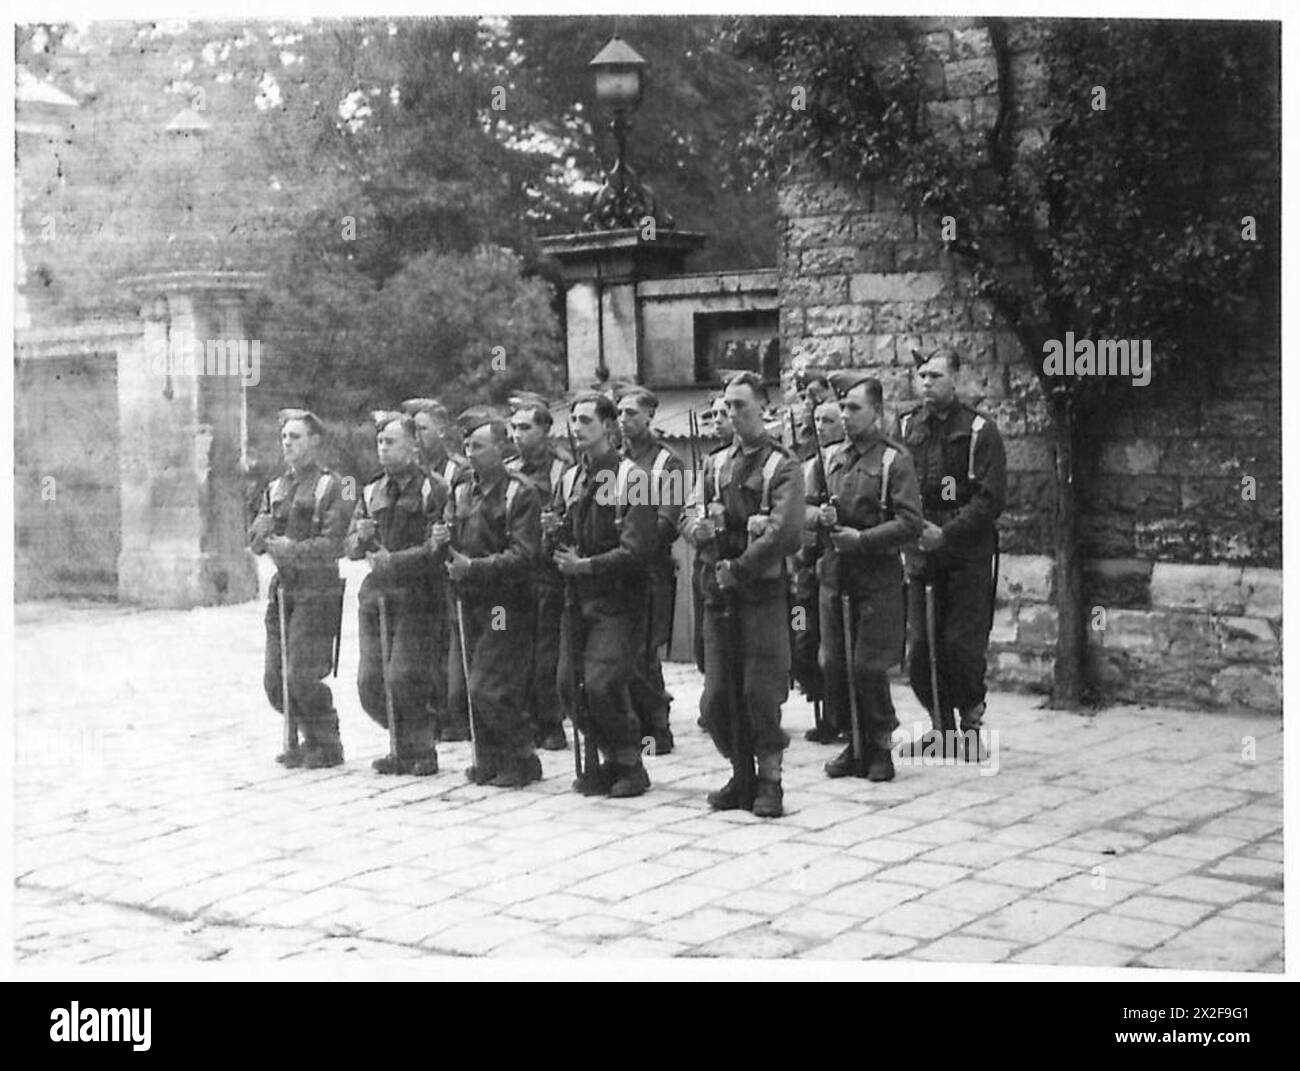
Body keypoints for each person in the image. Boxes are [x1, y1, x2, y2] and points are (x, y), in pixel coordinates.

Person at [681, 372, 804, 818]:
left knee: (760, 691)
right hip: (718, 593)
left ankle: (769, 779)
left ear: (762, 409)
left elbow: (784, 532)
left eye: (740, 406)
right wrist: (696, 528)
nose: (731, 415)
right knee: (717, 697)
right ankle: (740, 771)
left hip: (762, 593)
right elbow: (691, 511)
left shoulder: (782, 465)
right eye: (726, 407)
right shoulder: (714, 464)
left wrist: (740, 567)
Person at [893, 348, 1006, 759]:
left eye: (936, 376)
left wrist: (948, 533)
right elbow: (898, 485)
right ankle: (940, 727)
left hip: (967, 552)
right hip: (922, 549)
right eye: (922, 376)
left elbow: (990, 498)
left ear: (956, 379)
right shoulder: (906, 426)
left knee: (962, 643)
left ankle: (971, 728)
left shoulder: (979, 429)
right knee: (921, 648)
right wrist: (912, 533)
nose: (926, 383)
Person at [810, 375, 923, 780]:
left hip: (877, 577)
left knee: (868, 666)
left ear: (877, 412)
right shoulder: (828, 458)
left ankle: (879, 746)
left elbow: (911, 522)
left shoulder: (895, 460)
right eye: (843, 408)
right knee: (835, 665)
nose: (846, 415)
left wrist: (863, 539)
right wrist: (818, 517)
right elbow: (805, 508)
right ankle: (852, 742)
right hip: (835, 576)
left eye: (855, 408)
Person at [550, 391, 656, 799]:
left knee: (601, 683)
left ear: (609, 427)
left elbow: (637, 550)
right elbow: (566, 536)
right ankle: (607, 757)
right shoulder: (572, 477)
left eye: (587, 421)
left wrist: (586, 566)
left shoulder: (634, 479)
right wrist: (553, 533)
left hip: (618, 600)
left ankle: (629, 759)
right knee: (566, 684)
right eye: (574, 420)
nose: (577, 429)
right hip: (577, 598)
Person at [428, 407, 542, 788]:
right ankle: (490, 758)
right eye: (467, 445)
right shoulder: (461, 490)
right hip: (468, 601)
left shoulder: (519, 493)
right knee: (467, 688)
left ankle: (522, 756)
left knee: (488, 685)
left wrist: (472, 567)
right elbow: (450, 535)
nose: (470, 452)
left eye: (479, 446)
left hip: (504, 605)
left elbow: (525, 555)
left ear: (500, 449)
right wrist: (443, 543)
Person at [345, 413, 448, 776]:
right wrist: (360, 537)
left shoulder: (433, 489)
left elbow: (437, 548)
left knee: (404, 676)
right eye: (379, 442)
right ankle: (401, 742)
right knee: (369, 682)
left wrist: (396, 561)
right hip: (377, 596)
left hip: (418, 594)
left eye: (390, 442)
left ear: (413, 447)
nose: (383, 449)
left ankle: (421, 747)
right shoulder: (371, 490)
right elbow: (351, 546)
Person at [248, 409, 351, 769]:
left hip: (316, 588)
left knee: (301, 674)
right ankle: (304, 733)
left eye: (296, 437)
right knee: (274, 680)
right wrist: (261, 535)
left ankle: (325, 740)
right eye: (284, 437)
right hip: (283, 590)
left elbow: (334, 543)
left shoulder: (332, 486)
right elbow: (257, 539)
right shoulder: (275, 487)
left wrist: (291, 550)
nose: (288, 443)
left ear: (315, 441)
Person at [616, 386, 685, 756]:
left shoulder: (667, 463)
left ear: (650, 416)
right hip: (619, 570)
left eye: (631, 413)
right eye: (620, 413)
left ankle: (657, 728)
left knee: (645, 652)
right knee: (625, 651)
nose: (624, 420)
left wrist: (633, 542)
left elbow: (668, 523)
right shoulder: (614, 462)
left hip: (652, 570)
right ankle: (636, 723)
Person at [401, 397, 472, 742]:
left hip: (446, 572)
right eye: (411, 430)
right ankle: (431, 713)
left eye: (423, 429)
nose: (416, 438)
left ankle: (454, 714)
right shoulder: (405, 474)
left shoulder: (457, 471)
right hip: (417, 575)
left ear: (442, 431)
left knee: (450, 645)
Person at [507, 398, 569, 752]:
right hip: (516, 573)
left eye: (526, 427)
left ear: (546, 431)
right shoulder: (508, 469)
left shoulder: (562, 468)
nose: (518, 435)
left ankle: (551, 723)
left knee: (546, 653)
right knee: (517, 649)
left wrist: (558, 525)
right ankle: (526, 719)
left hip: (547, 573)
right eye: (514, 428)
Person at [794, 396, 848, 744]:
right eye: (816, 420)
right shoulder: (806, 467)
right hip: (804, 571)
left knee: (835, 650)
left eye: (828, 419)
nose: (820, 426)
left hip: (834, 566)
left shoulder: (845, 464)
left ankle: (837, 715)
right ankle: (820, 700)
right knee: (801, 642)